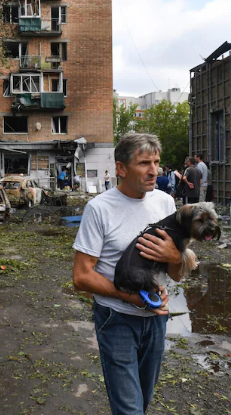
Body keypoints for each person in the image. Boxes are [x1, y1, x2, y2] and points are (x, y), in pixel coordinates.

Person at [72, 132, 183, 415]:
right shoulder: (99, 209)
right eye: (144, 163)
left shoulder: (165, 203)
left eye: (156, 162)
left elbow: (177, 274)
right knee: (129, 409)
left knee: (143, 400)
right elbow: (82, 276)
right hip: (117, 319)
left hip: (156, 319)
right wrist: (130, 298)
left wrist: (175, 257)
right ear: (121, 168)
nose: (154, 171)